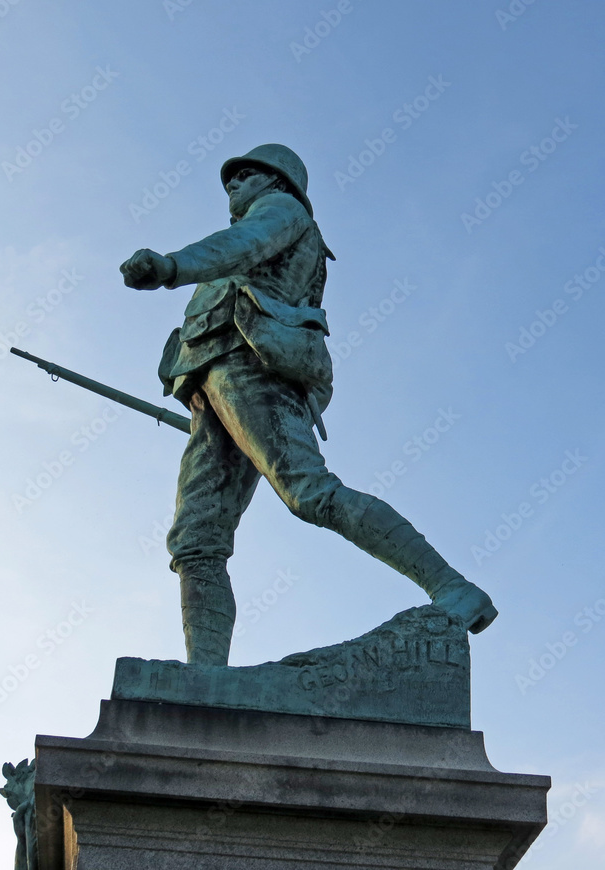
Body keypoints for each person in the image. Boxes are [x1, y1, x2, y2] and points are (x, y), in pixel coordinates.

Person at [119, 144, 496, 666]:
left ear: (277, 182)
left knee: (309, 491)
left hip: (252, 363)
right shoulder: (261, 219)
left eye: (245, 175)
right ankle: (204, 679)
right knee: (196, 539)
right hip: (212, 380)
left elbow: (243, 245)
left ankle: (452, 588)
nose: (233, 184)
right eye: (231, 179)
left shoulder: (280, 211)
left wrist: (170, 266)